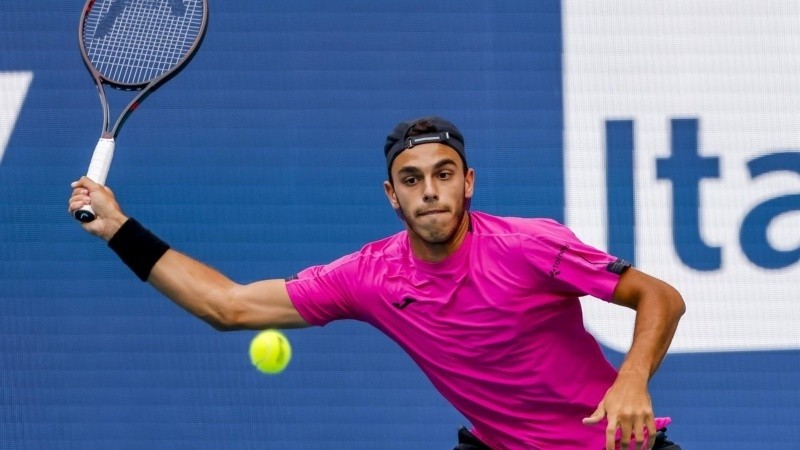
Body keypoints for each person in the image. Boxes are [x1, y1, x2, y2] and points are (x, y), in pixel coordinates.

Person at [68, 116, 685, 450]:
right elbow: (226, 306)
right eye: (412, 180)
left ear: (468, 181)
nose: (430, 191)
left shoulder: (529, 246)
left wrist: (631, 379)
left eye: (444, 174)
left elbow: (660, 296)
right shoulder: (371, 276)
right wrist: (118, 229)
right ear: (393, 195)